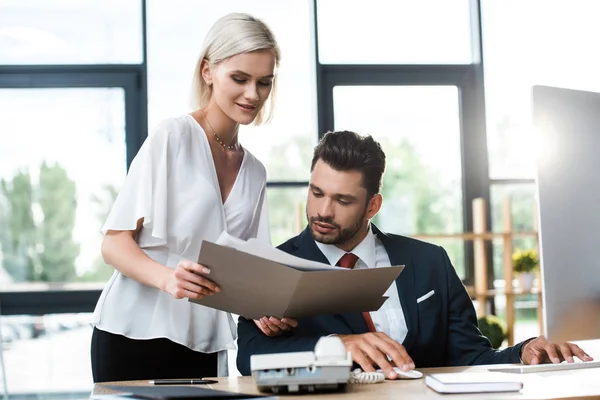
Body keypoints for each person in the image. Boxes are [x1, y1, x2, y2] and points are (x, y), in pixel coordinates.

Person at [236, 130, 593, 379]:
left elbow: (470, 356)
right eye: (316, 193)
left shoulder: (429, 261)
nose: (323, 210)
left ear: (372, 205)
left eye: (343, 200)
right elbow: (249, 359)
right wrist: (336, 346)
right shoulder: (274, 266)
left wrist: (524, 351)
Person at [90, 12, 296, 383]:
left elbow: (246, 269)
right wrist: (169, 279)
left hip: (202, 344)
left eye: (264, 82)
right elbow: (114, 245)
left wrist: (266, 310)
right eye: (240, 78)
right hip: (133, 334)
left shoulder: (255, 172)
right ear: (207, 71)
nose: (253, 94)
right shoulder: (173, 137)